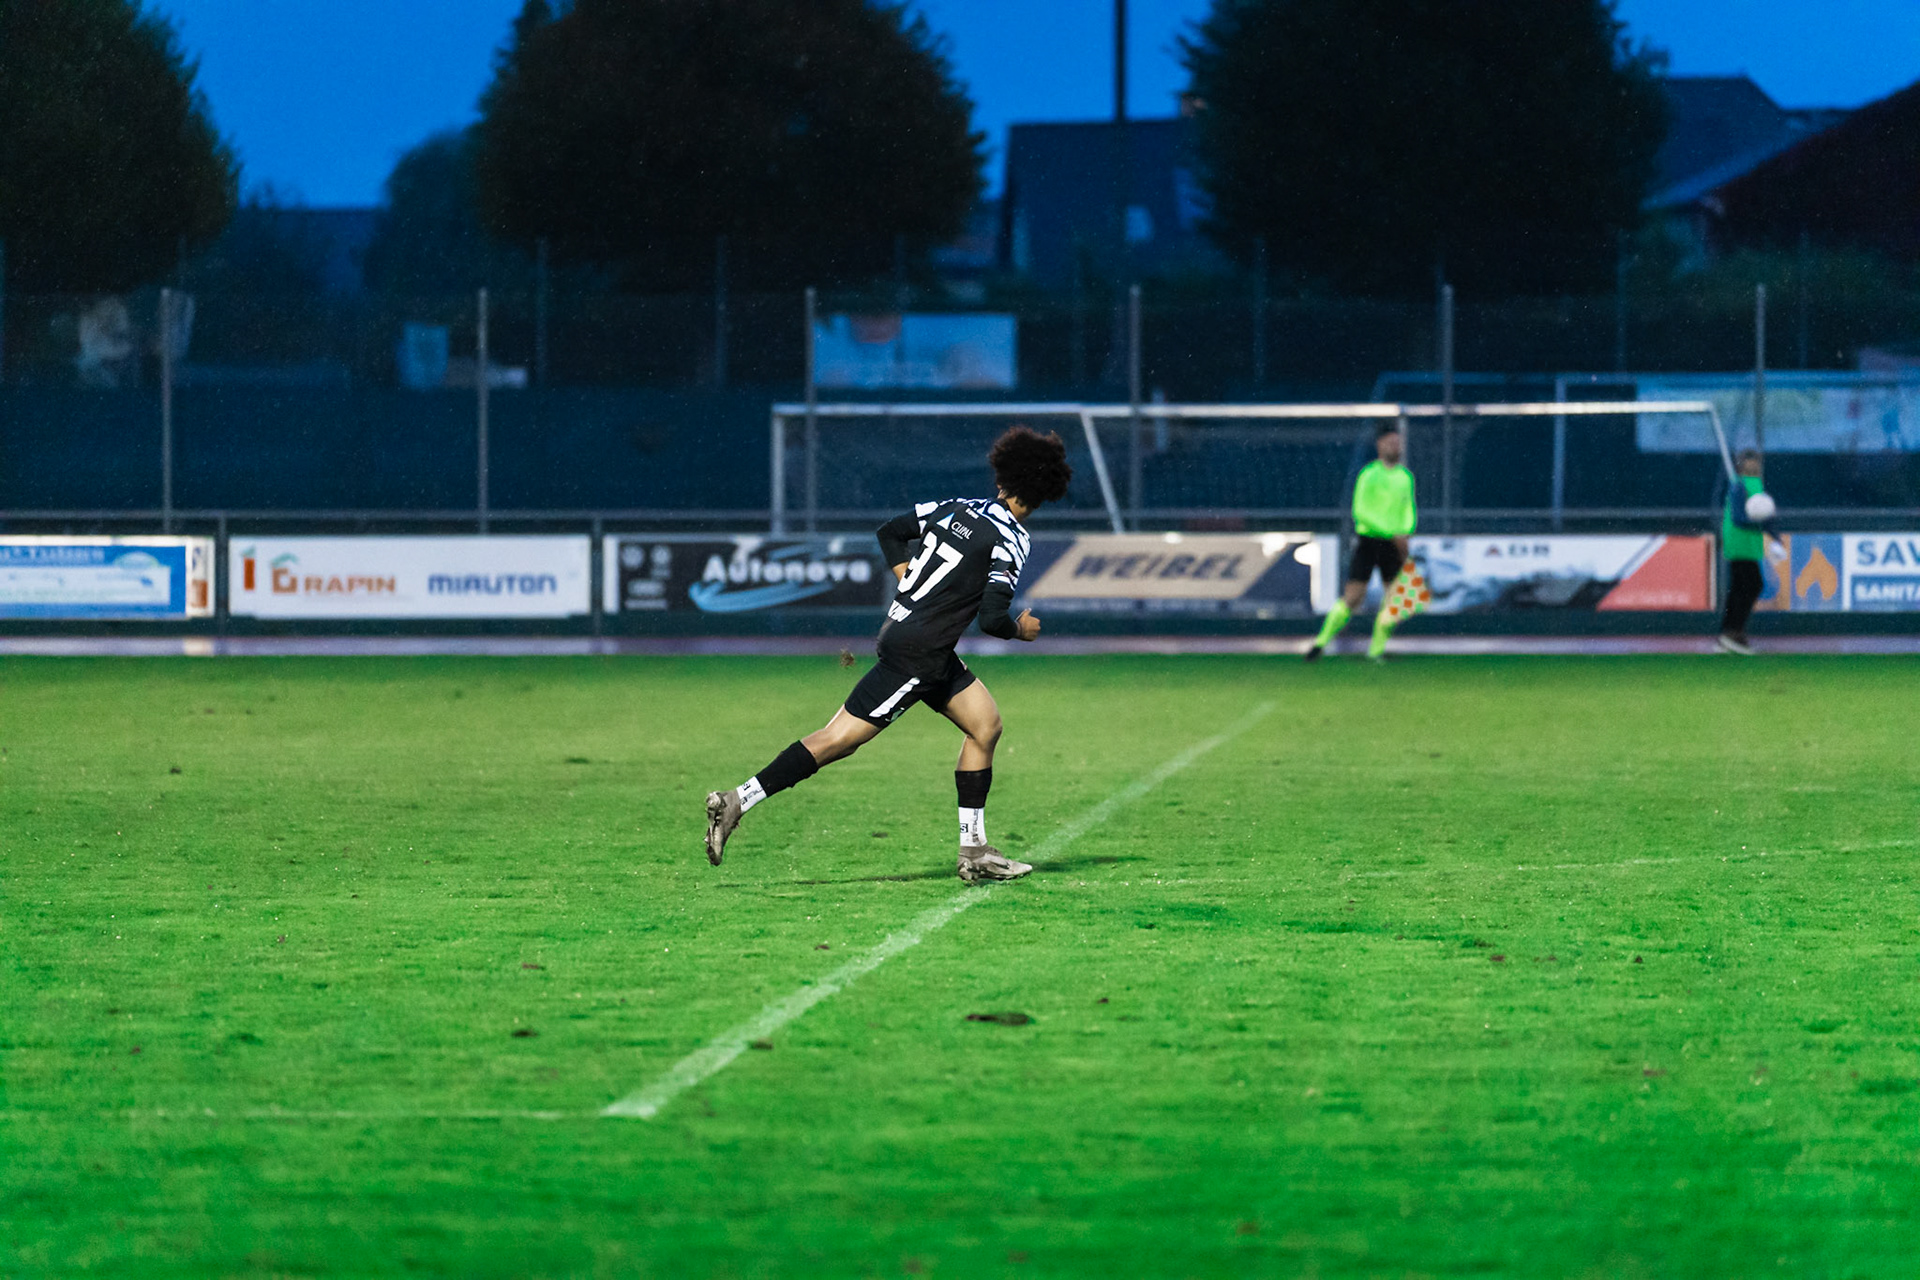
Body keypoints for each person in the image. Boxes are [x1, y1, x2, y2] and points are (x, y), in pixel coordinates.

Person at [704, 426, 1073, 882]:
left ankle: (974, 849)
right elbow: (993, 620)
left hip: (920, 643)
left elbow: (891, 531)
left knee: (986, 725)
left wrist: (909, 579)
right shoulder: (1014, 539)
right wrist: (1023, 629)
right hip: (919, 653)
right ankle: (738, 799)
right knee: (837, 740)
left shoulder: (956, 507)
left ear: (1003, 479)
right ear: (1044, 492)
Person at [1305, 422, 1417, 662]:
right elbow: (1361, 511)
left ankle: (1376, 651)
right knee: (1354, 596)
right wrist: (1391, 532)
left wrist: (1406, 531)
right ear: (1380, 445)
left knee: (1396, 599)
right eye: (1390, 442)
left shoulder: (1405, 477)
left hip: (1394, 545)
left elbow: (1409, 509)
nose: (1394, 446)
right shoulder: (1369, 474)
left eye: (1397, 442)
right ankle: (1320, 643)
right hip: (1370, 541)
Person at [1716, 448, 1783, 655]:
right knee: (1749, 584)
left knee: (1745, 585)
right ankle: (1732, 632)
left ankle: (1732, 632)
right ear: (1741, 465)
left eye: (1756, 461)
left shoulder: (1758, 486)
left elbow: (1767, 515)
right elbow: (1738, 517)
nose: (1753, 465)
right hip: (1739, 541)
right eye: (1749, 461)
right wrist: (1758, 522)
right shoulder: (1739, 486)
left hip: (1751, 543)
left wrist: (1776, 537)